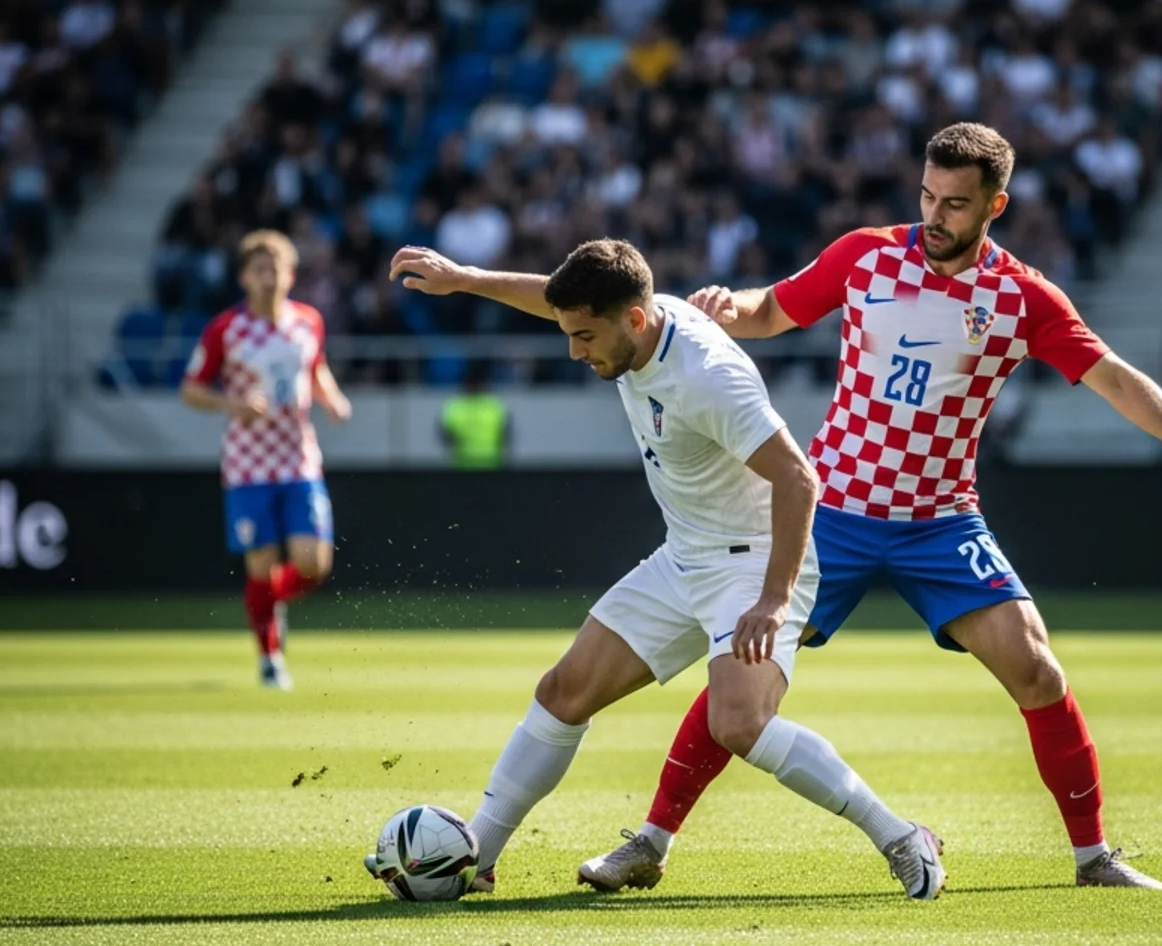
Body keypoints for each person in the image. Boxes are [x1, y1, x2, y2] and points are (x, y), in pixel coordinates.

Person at [577, 123, 1162, 893]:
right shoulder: (865, 254)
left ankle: (1093, 857)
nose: (936, 216)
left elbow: (1110, 376)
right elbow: (774, 308)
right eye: (928, 196)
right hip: (829, 514)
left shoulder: (1021, 296)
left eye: (957, 204)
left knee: (1038, 671)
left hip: (942, 521)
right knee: (743, 674)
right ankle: (650, 842)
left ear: (995, 205)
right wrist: (726, 305)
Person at [384, 238, 946, 899]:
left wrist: (772, 600)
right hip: (686, 557)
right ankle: (475, 859)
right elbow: (555, 298)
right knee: (563, 692)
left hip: (753, 564)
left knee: (738, 724)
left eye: (585, 336)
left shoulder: (706, 377)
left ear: (635, 320)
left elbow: (799, 479)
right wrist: (466, 278)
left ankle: (903, 838)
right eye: (570, 333)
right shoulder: (629, 320)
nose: (574, 350)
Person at [180, 230, 352, 690]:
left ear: (290, 275)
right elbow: (192, 388)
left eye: (276, 268)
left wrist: (331, 398)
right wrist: (230, 405)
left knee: (314, 563)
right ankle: (270, 658)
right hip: (248, 465)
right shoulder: (226, 329)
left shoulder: (308, 322)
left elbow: (315, 369)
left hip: (298, 460)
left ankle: (265, 603)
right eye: (260, 268)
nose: (269, 277)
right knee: (260, 562)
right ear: (244, 277)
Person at [439, 362, 511, 469]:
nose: (476, 386)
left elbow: (505, 433)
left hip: (491, 463)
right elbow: (445, 434)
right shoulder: (455, 406)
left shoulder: (494, 405)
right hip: (463, 464)